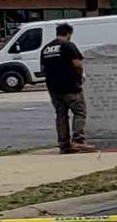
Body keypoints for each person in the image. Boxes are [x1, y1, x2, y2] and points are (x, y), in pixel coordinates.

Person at [38, 22, 92, 153]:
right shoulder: (68, 45)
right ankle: (78, 140)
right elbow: (77, 64)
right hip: (70, 85)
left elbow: (43, 69)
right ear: (69, 34)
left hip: (53, 88)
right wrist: (79, 78)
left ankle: (64, 144)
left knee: (61, 114)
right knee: (80, 112)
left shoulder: (46, 49)